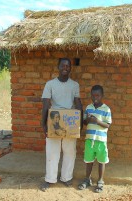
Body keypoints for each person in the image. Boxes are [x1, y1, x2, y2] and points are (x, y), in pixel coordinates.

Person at [40, 58, 82, 192]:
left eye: (68, 66)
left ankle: (66, 177)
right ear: (58, 67)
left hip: (70, 121)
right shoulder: (50, 84)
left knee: (70, 151)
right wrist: (44, 123)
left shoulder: (74, 85)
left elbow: (78, 103)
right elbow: (46, 104)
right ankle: (50, 179)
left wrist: (79, 123)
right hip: (54, 120)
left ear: (70, 68)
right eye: (63, 65)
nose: (65, 67)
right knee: (52, 152)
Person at [78, 85, 112, 193]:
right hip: (89, 139)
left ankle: (100, 181)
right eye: (93, 95)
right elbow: (84, 122)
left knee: (101, 161)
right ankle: (87, 179)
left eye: (97, 95)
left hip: (101, 140)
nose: (95, 97)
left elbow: (107, 125)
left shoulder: (106, 109)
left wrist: (97, 121)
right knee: (89, 160)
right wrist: (87, 120)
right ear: (91, 95)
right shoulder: (88, 108)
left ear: (102, 95)